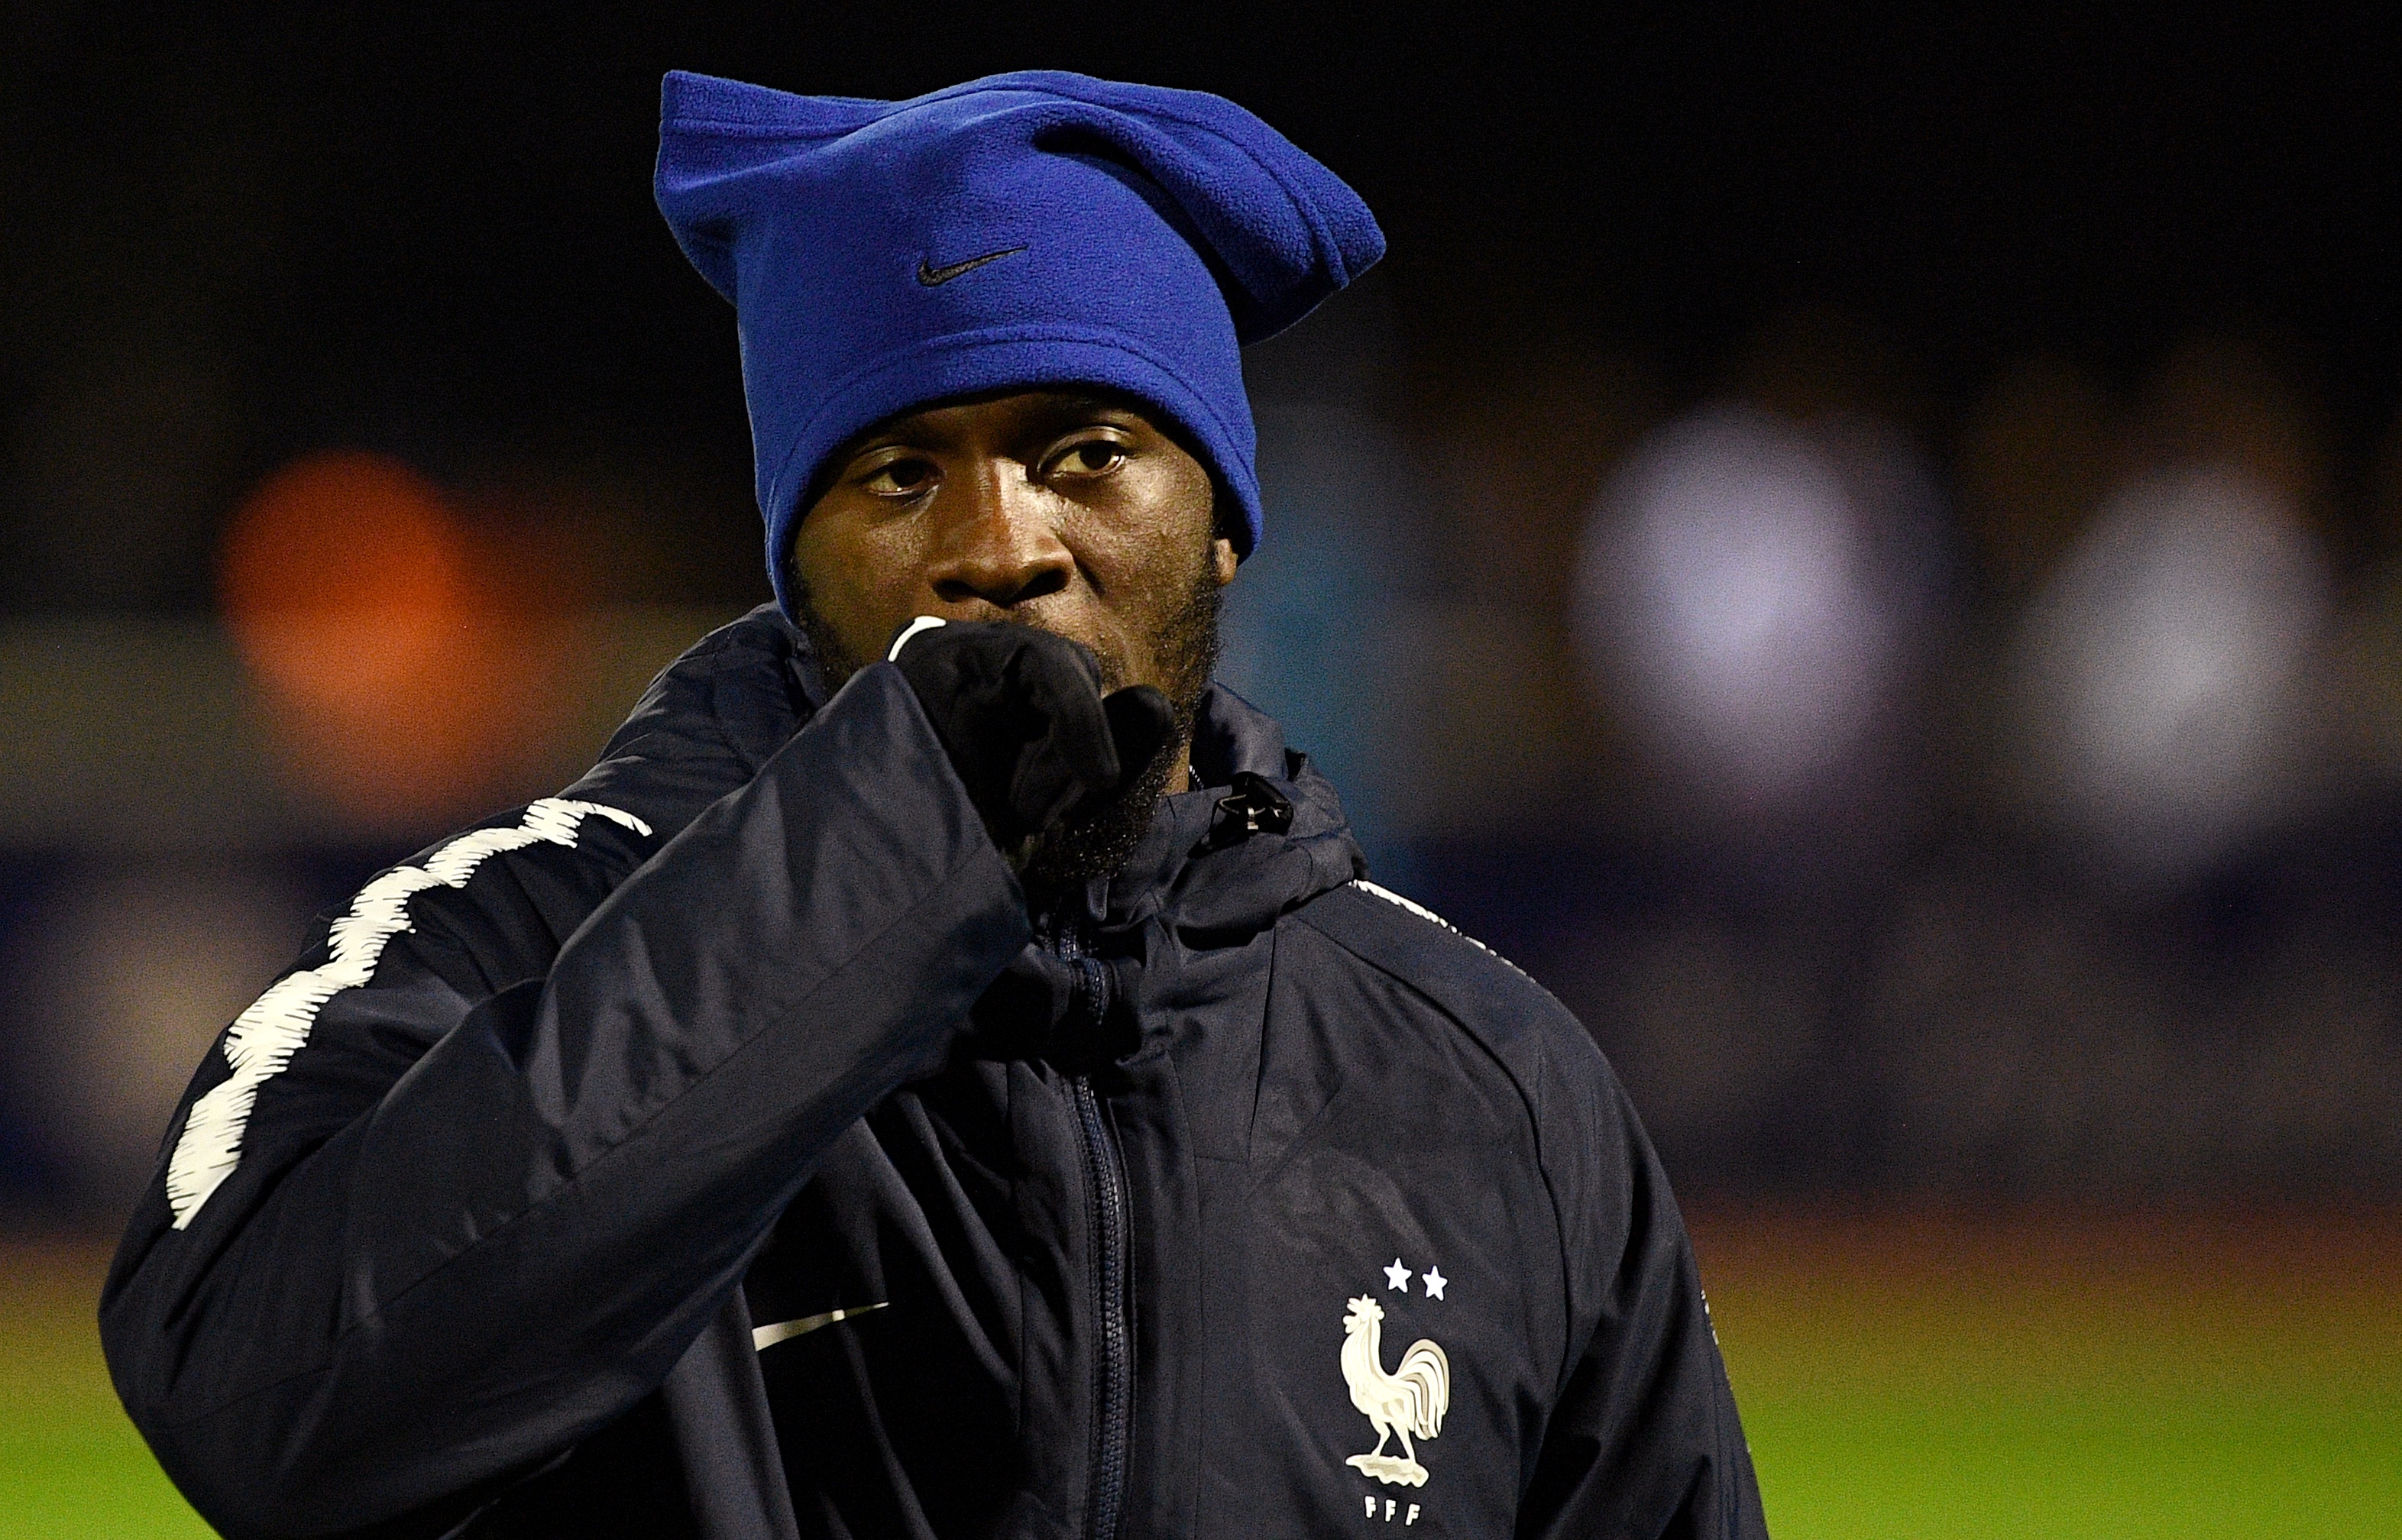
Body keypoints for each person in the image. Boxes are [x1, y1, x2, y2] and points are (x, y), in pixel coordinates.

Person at [101, 70, 1769, 1540]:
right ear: (792, 552)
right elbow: (258, 1404)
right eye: (901, 474)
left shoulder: (1490, 1078)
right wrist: (888, 846)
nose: (1002, 541)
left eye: (1090, 449)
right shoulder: (518, 934)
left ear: (1224, 520)